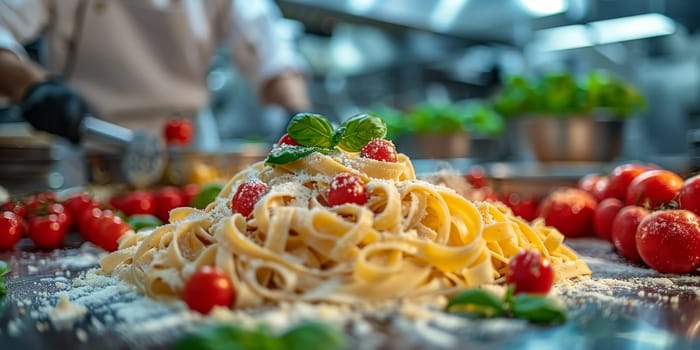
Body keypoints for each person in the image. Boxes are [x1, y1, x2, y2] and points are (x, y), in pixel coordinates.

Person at [0, 0, 310, 149]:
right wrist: (33, 86)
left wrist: (298, 117)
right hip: (92, 143)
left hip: (191, 150)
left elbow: (270, 51)